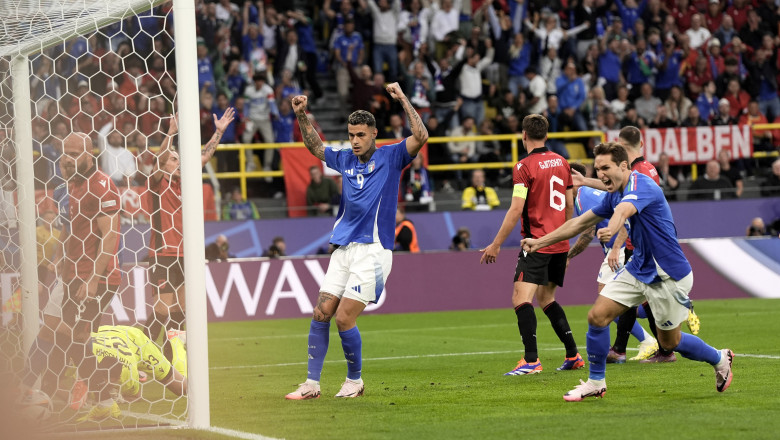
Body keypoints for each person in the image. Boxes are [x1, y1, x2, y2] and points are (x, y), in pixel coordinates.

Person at [521, 142, 734, 401]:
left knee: (670, 343)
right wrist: (539, 242)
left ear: (623, 166)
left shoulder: (640, 185)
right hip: (638, 268)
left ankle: (720, 358)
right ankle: (595, 382)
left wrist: (611, 228)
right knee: (597, 317)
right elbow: (580, 222)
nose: (600, 174)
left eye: (606, 167)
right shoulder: (613, 192)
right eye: (597, 168)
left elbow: (624, 211)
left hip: (666, 274)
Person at [285, 82, 428, 400]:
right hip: (344, 248)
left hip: (373, 251)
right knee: (321, 313)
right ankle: (311, 384)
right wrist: (302, 115)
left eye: (361, 135)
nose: (355, 140)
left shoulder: (392, 157)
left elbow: (421, 137)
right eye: (351, 135)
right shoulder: (346, 159)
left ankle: (355, 381)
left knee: (344, 317)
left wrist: (403, 99)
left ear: (374, 133)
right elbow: (316, 148)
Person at [479, 114, 584, 376]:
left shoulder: (523, 167)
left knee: (520, 298)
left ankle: (531, 360)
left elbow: (516, 209)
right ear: (546, 135)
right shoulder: (562, 162)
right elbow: (570, 205)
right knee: (547, 298)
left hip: (536, 243)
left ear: (523, 135)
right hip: (559, 242)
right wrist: (564, 238)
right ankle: (573, 354)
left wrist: (496, 244)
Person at [145, 108, 235, 366]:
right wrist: (170, 135)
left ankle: (170, 360)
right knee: (162, 310)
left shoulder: (186, 180)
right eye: (174, 158)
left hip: (185, 253)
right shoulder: (158, 181)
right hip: (162, 252)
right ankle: (142, 355)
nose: (178, 161)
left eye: (178, 158)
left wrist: (218, 131)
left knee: (180, 311)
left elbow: (205, 155)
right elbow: (160, 159)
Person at [57, 132, 122, 420]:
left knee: (74, 334)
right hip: (75, 272)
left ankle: (105, 393)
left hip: (98, 275)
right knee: (73, 336)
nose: (67, 159)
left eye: (73, 154)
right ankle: (103, 389)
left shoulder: (102, 185)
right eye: (64, 153)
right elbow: (73, 229)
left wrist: (94, 278)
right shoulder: (73, 184)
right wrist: (62, 260)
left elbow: (111, 236)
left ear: (89, 155)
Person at [566, 163, 659, 363]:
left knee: (606, 300)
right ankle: (658, 306)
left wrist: (568, 256)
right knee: (626, 300)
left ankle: (644, 341)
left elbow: (587, 232)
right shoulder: (589, 193)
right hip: (622, 247)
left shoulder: (582, 196)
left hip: (619, 249)